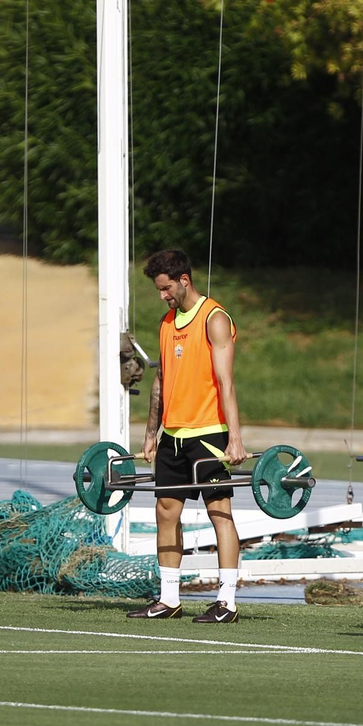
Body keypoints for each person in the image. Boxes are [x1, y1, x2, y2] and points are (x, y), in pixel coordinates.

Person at [128, 249, 247, 624]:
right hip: (173, 436)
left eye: (165, 288)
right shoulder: (166, 323)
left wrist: (235, 438)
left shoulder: (215, 318)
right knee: (165, 512)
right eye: (158, 290)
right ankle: (168, 599)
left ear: (184, 280)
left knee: (219, 512)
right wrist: (151, 434)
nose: (162, 295)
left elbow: (226, 382)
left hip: (209, 434)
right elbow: (161, 381)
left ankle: (226, 601)